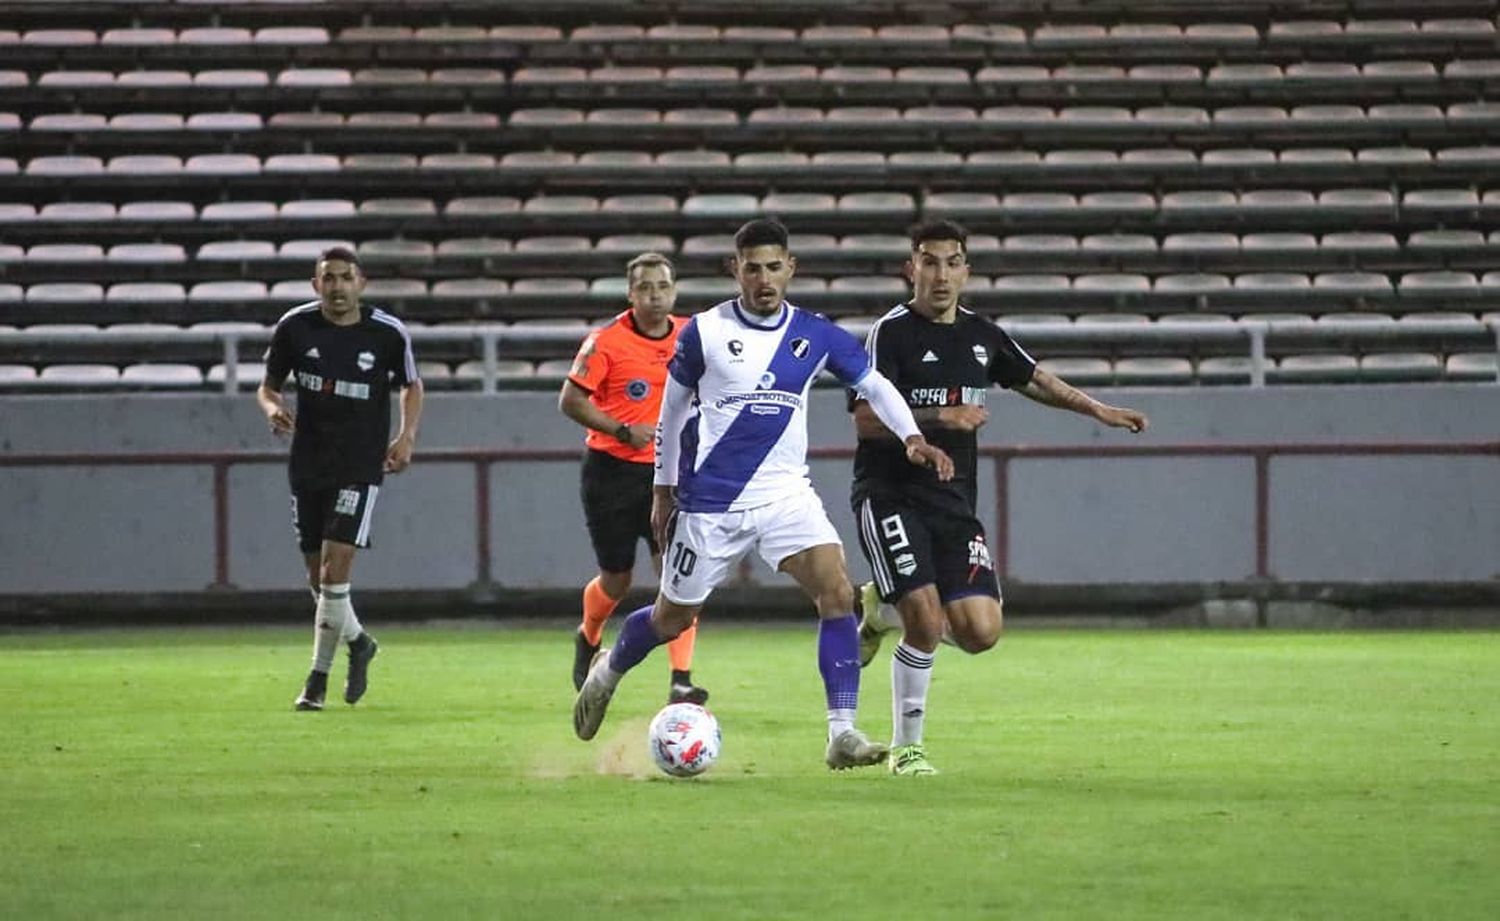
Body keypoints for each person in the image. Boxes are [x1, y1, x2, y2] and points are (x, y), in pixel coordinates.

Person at [572, 218, 955, 770]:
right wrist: (663, 488)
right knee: (670, 619)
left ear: (790, 269)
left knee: (838, 592)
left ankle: (841, 732)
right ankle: (608, 671)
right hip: (710, 503)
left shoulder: (815, 333)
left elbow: (873, 385)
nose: (764, 278)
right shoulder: (702, 332)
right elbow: (673, 410)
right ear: (736, 271)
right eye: (752, 268)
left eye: (774, 267)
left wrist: (913, 437)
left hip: (785, 497)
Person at [850, 218, 1149, 774]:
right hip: (890, 494)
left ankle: (879, 612)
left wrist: (1098, 409)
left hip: (953, 500)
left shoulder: (982, 335)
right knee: (926, 617)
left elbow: (1035, 379)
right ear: (909, 268)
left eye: (952, 261)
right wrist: (943, 416)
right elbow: (867, 419)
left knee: (981, 633)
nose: (941, 274)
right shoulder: (889, 334)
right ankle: (907, 749)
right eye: (929, 261)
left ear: (967, 270)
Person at [257, 246, 424, 711]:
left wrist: (405, 436)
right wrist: (273, 408)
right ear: (316, 286)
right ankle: (359, 642)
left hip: (359, 465)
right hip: (308, 462)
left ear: (361, 283)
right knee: (319, 582)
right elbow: (268, 385)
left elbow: (413, 385)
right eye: (327, 278)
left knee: (334, 572)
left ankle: (316, 681)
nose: (336, 287)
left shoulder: (387, 333)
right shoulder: (295, 327)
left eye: (344, 277)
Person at [558, 252, 709, 705]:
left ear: (675, 290)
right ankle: (588, 635)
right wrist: (622, 429)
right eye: (645, 288)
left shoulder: (691, 336)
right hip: (612, 473)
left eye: (663, 286)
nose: (655, 296)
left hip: (672, 474)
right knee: (616, 580)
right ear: (630, 294)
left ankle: (681, 678)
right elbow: (570, 400)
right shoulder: (605, 342)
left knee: (679, 576)